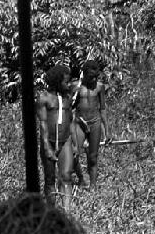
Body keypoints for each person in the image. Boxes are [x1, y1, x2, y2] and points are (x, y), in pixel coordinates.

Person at [36, 65, 78, 210]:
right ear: (56, 82)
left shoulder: (67, 98)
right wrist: (47, 147)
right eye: (65, 82)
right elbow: (43, 124)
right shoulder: (44, 98)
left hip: (65, 140)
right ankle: (51, 212)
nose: (68, 84)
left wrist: (74, 143)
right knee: (49, 179)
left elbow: (70, 121)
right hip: (50, 142)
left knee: (66, 176)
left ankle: (67, 212)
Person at [71, 60, 111, 192]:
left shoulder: (100, 87)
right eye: (90, 77)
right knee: (74, 154)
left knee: (93, 157)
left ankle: (93, 187)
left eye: (96, 77)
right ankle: (82, 179)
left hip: (95, 122)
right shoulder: (76, 87)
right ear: (84, 74)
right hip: (79, 123)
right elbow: (68, 107)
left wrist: (107, 131)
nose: (93, 80)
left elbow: (103, 109)